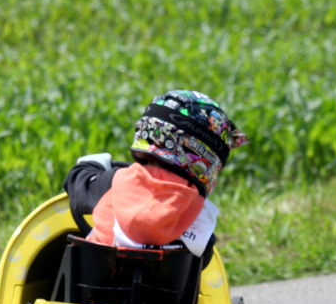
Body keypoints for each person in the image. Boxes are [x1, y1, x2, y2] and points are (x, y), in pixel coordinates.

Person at [62, 90, 247, 265]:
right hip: (168, 289)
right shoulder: (199, 212)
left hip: (96, 282)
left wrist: (89, 166)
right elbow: (203, 260)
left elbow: (77, 187)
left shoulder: (117, 182)